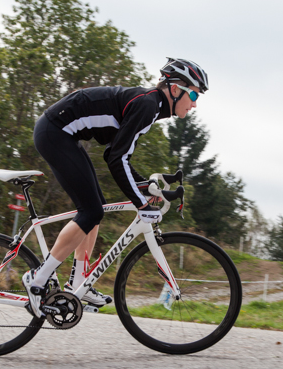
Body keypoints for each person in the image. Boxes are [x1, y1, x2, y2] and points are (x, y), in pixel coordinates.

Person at [24, 57, 209, 317]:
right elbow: (116, 159)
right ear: (176, 89)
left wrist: (145, 186)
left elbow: (116, 153)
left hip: (63, 134)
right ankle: (38, 279)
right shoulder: (148, 105)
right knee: (90, 211)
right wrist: (141, 204)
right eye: (194, 94)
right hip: (55, 132)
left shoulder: (152, 106)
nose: (195, 103)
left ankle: (78, 282)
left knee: (95, 208)